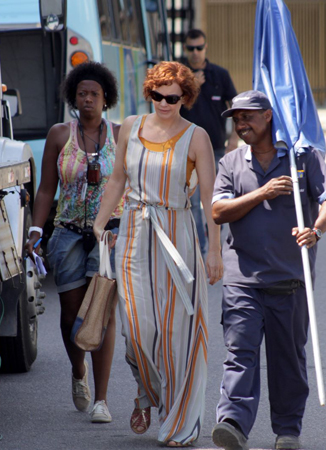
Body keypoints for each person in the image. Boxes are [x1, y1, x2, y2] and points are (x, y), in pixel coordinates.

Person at [92, 61, 223, 447]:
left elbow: (209, 197)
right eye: (158, 94)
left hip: (177, 237)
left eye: (173, 97)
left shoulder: (196, 137)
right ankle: (148, 392)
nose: (164, 102)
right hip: (133, 232)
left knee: (176, 332)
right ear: (149, 92)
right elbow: (117, 178)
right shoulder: (130, 127)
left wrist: (214, 250)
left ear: (185, 98)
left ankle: (178, 419)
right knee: (136, 331)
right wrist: (101, 225)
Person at [209, 90, 326, 450]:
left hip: (290, 280)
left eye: (248, 116)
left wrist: (315, 230)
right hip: (243, 280)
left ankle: (287, 431)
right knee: (240, 353)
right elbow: (219, 212)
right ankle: (233, 423)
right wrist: (262, 193)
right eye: (236, 118)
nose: (240, 123)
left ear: (269, 116)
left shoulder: (303, 158)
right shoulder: (231, 162)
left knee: (287, 361)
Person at [24, 61, 122, 424]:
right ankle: (78, 369)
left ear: (106, 98)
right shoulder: (59, 135)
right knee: (70, 318)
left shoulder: (119, 133)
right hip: (66, 233)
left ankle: (102, 399)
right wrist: (36, 230)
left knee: (102, 314)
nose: (88, 100)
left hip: (108, 235)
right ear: (73, 97)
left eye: (94, 94)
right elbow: (47, 188)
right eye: (82, 94)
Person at [180, 28, 238, 255]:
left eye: (199, 48)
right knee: (193, 201)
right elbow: (169, 105)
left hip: (215, 148)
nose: (195, 53)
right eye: (190, 49)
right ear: (185, 50)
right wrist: (191, 84)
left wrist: (234, 139)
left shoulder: (219, 74)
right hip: (185, 149)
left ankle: (212, 236)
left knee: (216, 198)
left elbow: (235, 106)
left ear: (206, 48)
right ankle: (199, 249)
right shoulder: (179, 75)